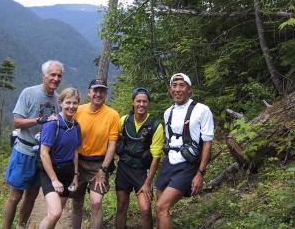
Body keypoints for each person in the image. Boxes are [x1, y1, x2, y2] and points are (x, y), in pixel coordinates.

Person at [2, 60, 63, 229]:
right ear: (44, 75)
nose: (56, 78)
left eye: (59, 76)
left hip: (42, 155)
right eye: (52, 74)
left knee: (32, 195)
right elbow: (17, 122)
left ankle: (21, 226)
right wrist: (38, 120)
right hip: (24, 151)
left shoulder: (59, 100)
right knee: (15, 196)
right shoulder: (29, 93)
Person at [155, 73, 214, 229]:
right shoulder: (168, 112)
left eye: (182, 85)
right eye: (174, 86)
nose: (177, 89)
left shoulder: (202, 110)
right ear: (170, 89)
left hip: (187, 164)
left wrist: (200, 173)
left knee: (162, 208)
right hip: (169, 163)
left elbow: (208, 142)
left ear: (189, 89)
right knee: (159, 208)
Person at [71, 78, 120, 229]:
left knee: (96, 202)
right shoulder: (78, 111)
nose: (98, 94)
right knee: (77, 203)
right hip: (78, 162)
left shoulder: (112, 114)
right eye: (95, 90)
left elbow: (112, 144)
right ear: (89, 92)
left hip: (99, 163)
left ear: (105, 93)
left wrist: (103, 169)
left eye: (102, 91)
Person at [115, 87, 164, 229]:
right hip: (124, 168)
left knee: (145, 210)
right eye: (138, 101)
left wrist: (148, 183)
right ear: (133, 102)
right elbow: (115, 139)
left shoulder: (156, 126)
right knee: (121, 206)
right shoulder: (124, 120)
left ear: (148, 103)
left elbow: (156, 157)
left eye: (144, 101)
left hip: (142, 171)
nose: (141, 104)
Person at [39, 88, 82, 229]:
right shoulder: (53, 124)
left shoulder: (76, 126)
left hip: (67, 171)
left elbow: (75, 151)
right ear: (60, 103)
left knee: (56, 213)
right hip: (51, 171)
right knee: (55, 213)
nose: (71, 106)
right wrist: (54, 179)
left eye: (75, 103)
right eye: (68, 102)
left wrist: (75, 175)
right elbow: (44, 153)